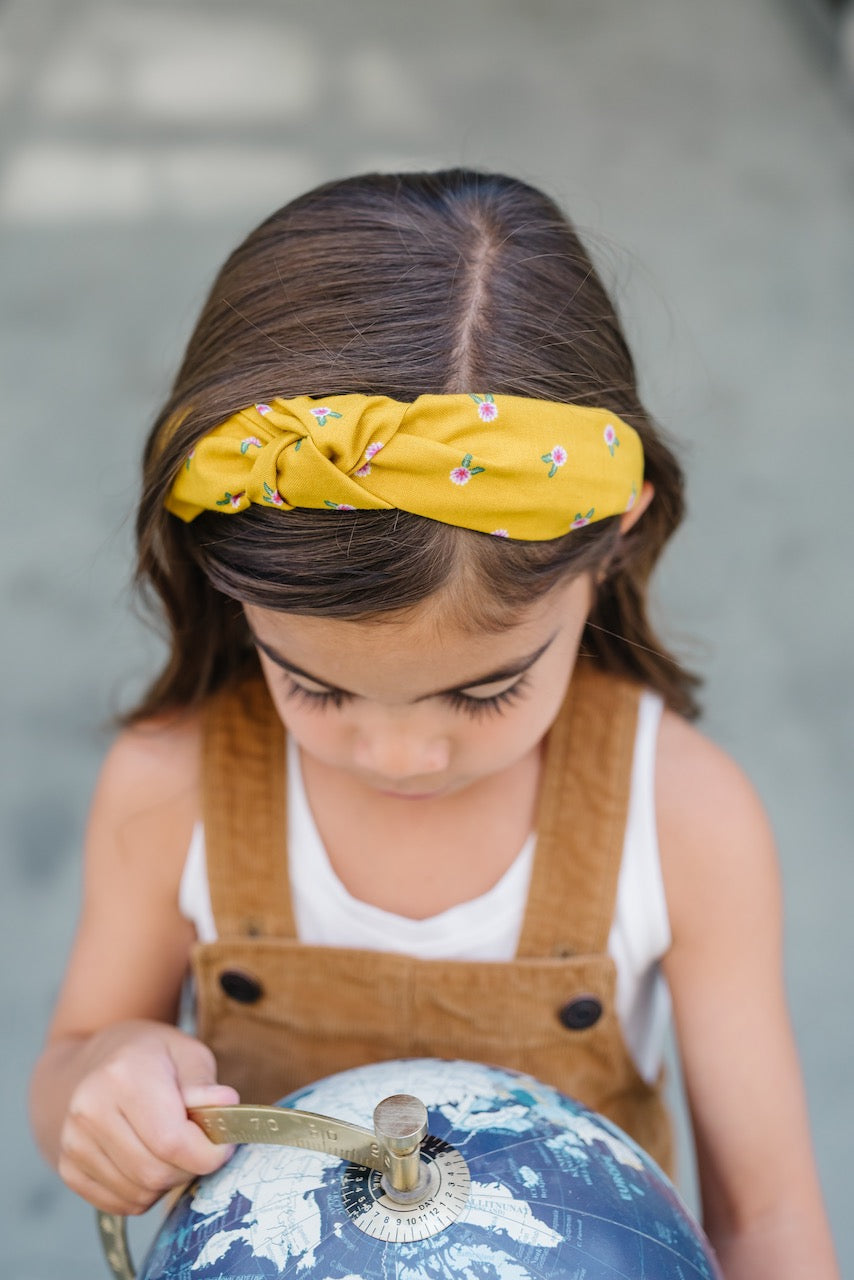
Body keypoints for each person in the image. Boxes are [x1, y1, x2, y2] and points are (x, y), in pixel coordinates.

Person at [29, 169, 837, 1278]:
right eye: (314, 685)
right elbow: (71, 1059)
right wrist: (101, 1086)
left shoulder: (682, 818)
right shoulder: (170, 786)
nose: (401, 753)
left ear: (611, 540)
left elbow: (765, 1223)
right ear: (229, 588)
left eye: (484, 688)